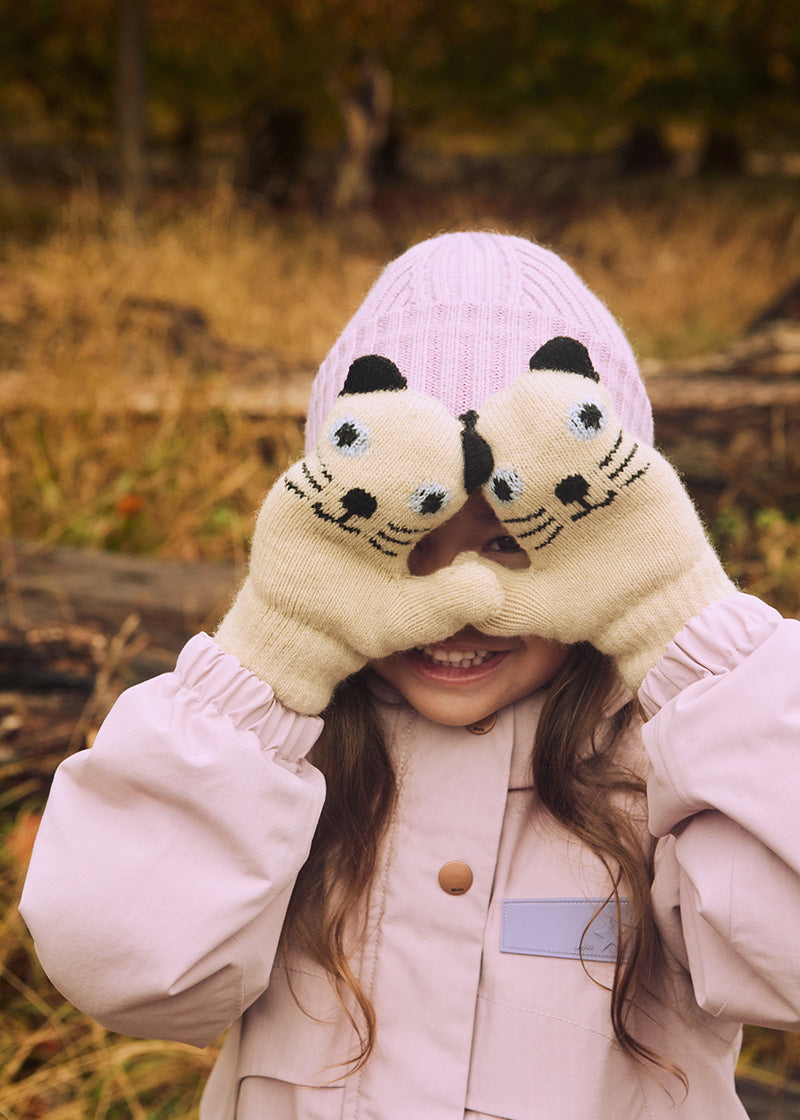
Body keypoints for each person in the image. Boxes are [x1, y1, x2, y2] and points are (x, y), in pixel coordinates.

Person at [20, 232, 800, 1119]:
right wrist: (273, 651)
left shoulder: (674, 761)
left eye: (510, 541)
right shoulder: (270, 761)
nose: (462, 599)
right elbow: (116, 967)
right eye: (407, 541)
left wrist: (681, 616)